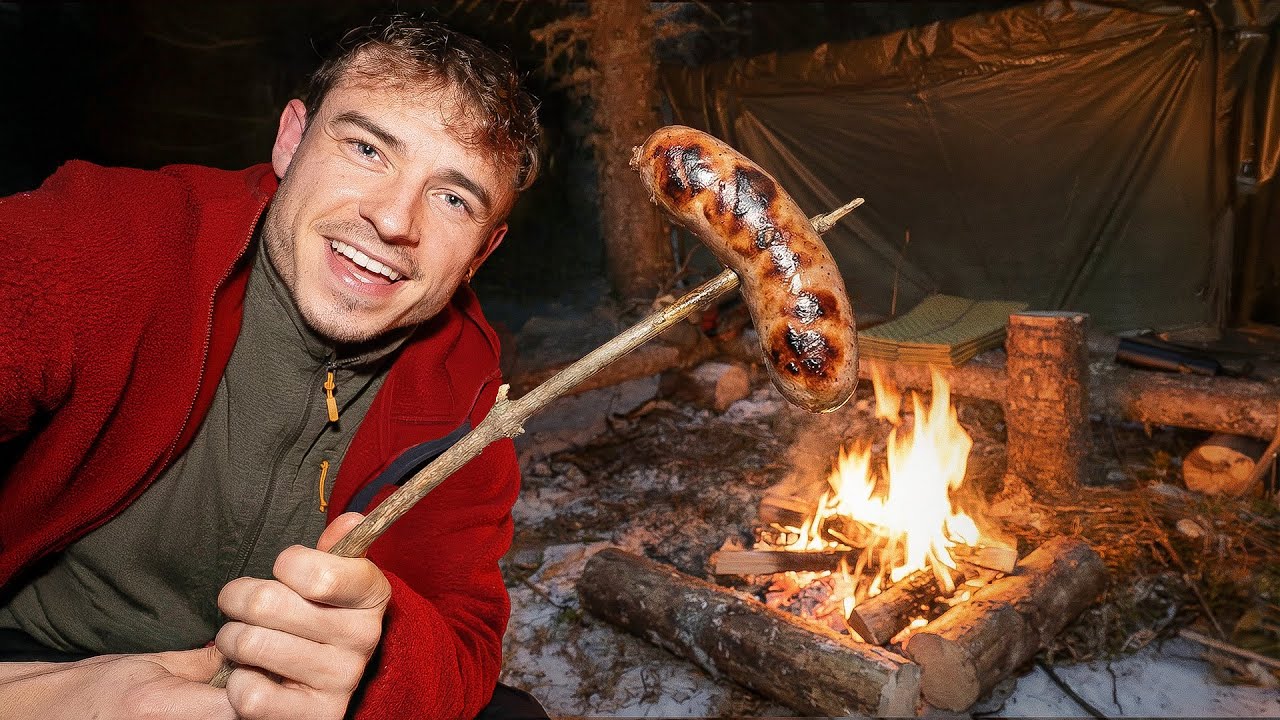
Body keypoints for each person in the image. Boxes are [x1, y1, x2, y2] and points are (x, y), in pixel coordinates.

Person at [0, 13, 548, 719]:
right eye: (366, 148)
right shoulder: (112, 241)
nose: (393, 220)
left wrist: (371, 656)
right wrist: (40, 698)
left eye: (452, 198)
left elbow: (465, 636)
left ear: (482, 251)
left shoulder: (468, 395)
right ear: (292, 139)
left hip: (273, 692)